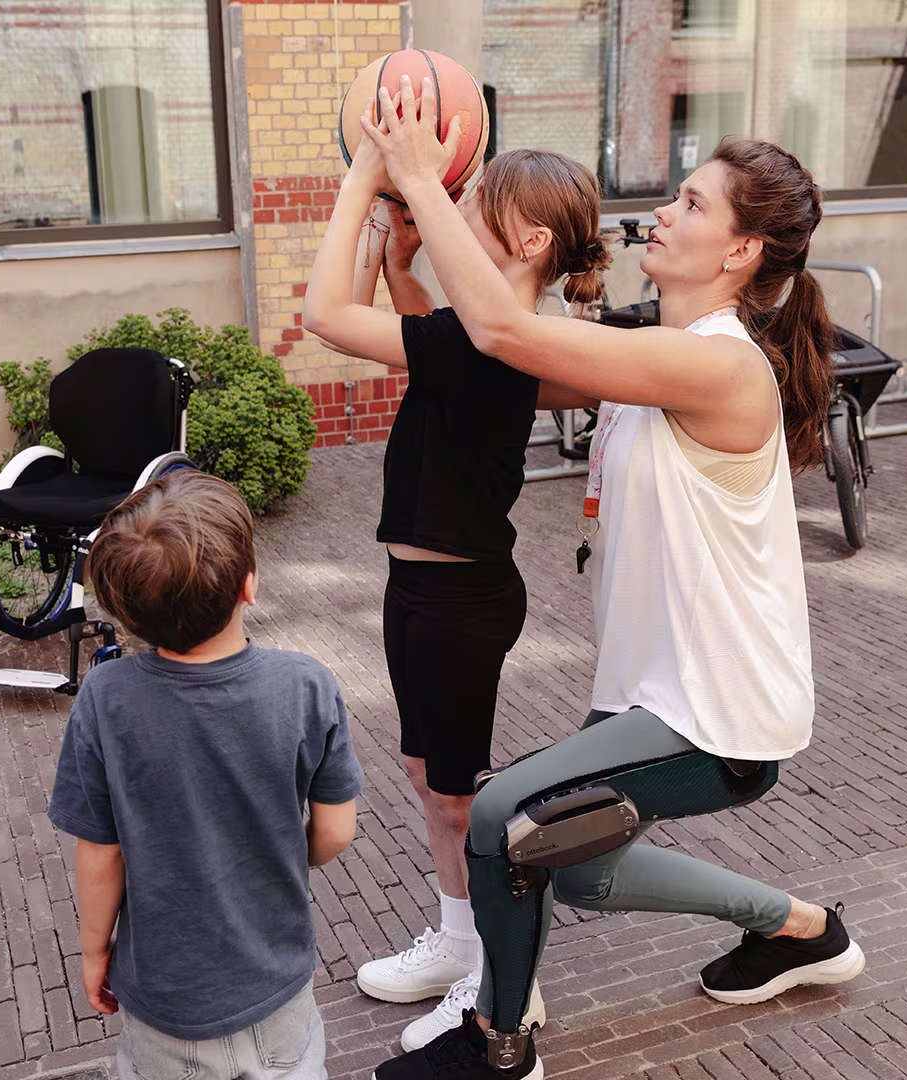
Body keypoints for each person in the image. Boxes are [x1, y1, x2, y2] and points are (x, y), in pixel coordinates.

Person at [359, 79, 866, 1080]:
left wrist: (421, 177)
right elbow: (476, 363)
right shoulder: (654, 354)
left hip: (719, 711)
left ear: (739, 254)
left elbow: (507, 334)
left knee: (509, 818)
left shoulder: (724, 367)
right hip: (651, 694)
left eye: (691, 204)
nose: (662, 213)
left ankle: (501, 1048)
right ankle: (802, 930)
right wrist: (405, 262)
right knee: (579, 871)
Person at [301, 136, 611, 1052]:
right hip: (424, 591)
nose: (457, 218)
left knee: (457, 798)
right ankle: (460, 942)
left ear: (525, 242)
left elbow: (323, 315)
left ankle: (498, 973)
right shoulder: (475, 340)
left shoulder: (488, 343)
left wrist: (365, 179)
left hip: (458, 602)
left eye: (476, 209)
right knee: (427, 782)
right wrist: (400, 268)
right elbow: (427, 350)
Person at [46, 469, 364, 1080]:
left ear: (127, 610)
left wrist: (94, 952)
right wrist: (285, 854)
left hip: (165, 1004)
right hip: (278, 989)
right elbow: (336, 833)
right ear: (248, 586)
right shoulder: (305, 685)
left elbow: (101, 855)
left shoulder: (107, 700)